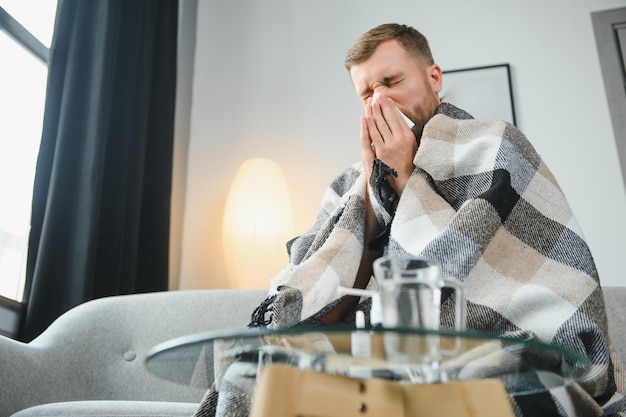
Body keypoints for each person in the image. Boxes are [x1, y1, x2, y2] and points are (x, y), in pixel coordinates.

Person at [199, 23, 626, 417]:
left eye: (391, 82)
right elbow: (327, 303)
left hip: (498, 341)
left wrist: (404, 176)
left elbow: (460, 278)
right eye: (366, 93)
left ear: (433, 78)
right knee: (257, 369)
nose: (379, 100)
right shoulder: (348, 182)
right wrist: (371, 189)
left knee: (484, 378)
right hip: (372, 351)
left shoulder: (493, 143)